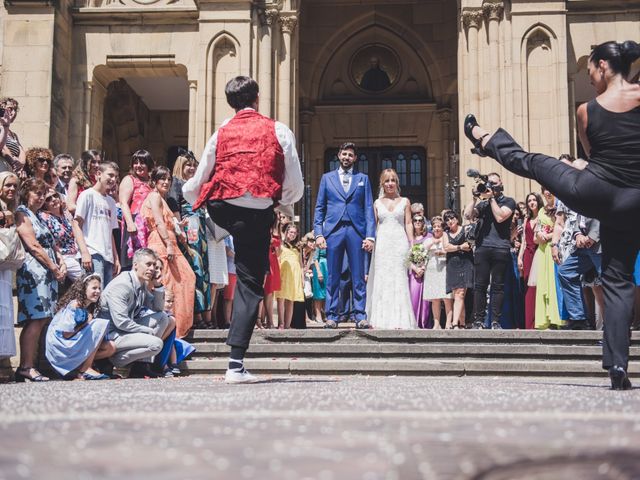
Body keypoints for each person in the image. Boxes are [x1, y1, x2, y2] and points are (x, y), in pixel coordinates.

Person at [463, 40, 640, 389]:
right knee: (618, 280)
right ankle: (618, 365)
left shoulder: (587, 110)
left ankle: (484, 140)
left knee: (533, 162)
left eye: (591, 71)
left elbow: (592, 153)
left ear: (603, 66)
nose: (590, 80)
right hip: (633, 199)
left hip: (595, 190)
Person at [183, 76, 304, 383]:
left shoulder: (221, 130)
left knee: (228, 228)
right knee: (250, 283)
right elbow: (295, 186)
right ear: (257, 99)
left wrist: (191, 195)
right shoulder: (278, 129)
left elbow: (199, 178)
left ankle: (220, 231)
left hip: (223, 208)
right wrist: (277, 201)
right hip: (255, 214)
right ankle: (235, 363)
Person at [314, 142, 375, 329]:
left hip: (356, 231)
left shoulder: (362, 178)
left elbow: (368, 208)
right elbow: (320, 207)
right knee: (332, 274)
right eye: (344, 154)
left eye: (350, 155)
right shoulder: (327, 178)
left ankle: (359, 315)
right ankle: (332, 315)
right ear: (339, 156)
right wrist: (318, 234)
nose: (347, 157)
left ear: (355, 158)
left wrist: (370, 236)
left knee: (358, 275)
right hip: (334, 230)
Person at [15, 178, 67, 382]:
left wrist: (60, 261)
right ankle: (25, 366)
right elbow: (33, 245)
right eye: (36, 193)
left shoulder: (39, 215)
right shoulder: (22, 213)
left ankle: (33, 364)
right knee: (35, 319)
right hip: (34, 272)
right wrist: (53, 267)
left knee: (44, 317)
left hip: (47, 272)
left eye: (42, 193)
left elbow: (52, 244)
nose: (40, 197)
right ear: (26, 193)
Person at [99, 248, 172, 378]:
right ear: (135, 265)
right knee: (156, 343)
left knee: (163, 318)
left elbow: (157, 309)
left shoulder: (140, 282)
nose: (152, 269)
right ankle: (110, 360)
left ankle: (141, 366)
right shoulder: (122, 285)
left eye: (154, 266)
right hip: (111, 334)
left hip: (124, 329)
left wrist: (158, 285)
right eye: (148, 264)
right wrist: (147, 331)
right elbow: (121, 322)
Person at [141, 166, 196, 338]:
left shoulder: (163, 199)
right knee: (169, 285)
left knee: (185, 279)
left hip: (170, 243)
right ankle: (171, 329)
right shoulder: (154, 196)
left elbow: (166, 220)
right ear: (154, 181)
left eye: (168, 179)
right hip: (161, 244)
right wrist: (169, 245)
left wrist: (179, 226)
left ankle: (176, 327)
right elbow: (158, 222)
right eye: (162, 179)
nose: (166, 182)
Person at [464, 173, 516, 329]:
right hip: (483, 247)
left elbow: (501, 217)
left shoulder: (509, 201)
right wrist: (474, 198)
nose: (490, 185)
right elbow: (468, 215)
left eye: (493, 182)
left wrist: (491, 198)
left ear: (500, 183)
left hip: (501, 247)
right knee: (480, 285)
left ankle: (495, 321)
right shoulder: (483, 204)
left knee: (497, 286)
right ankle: (478, 320)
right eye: (489, 183)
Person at [366, 169, 416, 329]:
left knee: (399, 278)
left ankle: (400, 319)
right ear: (382, 184)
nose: (390, 184)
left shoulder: (405, 201)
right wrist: (371, 241)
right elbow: (373, 224)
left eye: (393, 180)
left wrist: (412, 243)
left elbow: (408, 223)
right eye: (387, 181)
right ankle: (381, 320)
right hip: (383, 244)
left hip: (399, 242)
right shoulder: (377, 203)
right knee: (383, 278)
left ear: (397, 182)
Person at [167, 152, 212, 329]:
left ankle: (204, 315)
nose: (192, 168)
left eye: (194, 165)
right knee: (194, 269)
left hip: (200, 228)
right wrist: (181, 230)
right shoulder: (176, 183)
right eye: (188, 165)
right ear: (181, 166)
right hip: (189, 228)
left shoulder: (196, 184)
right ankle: (196, 316)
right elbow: (174, 206)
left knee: (203, 272)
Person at [45, 273, 115, 380]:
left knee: (110, 347)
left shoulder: (88, 306)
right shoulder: (75, 305)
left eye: (99, 288)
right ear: (83, 289)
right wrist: (86, 323)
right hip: (60, 346)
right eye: (94, 288)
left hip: (69, 344)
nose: (98, 291)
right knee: (99, 324)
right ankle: (85, 369)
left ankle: (77, 368)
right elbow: (66, 334)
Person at [72, 162, 121, 286]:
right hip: (93, 252)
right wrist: (84, 252)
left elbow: (110, 233)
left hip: (108, 256)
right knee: (92, 293)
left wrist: (115, 258)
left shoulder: (111, 202)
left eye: (115, 177)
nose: (113, 179)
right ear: (99, 174)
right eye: (110, 175)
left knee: (104, 297)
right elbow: (76, 224)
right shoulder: (87, 195)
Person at [531, 188, 563, 330]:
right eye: (545, 190)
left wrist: (549, 236)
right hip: (543, 250)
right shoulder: (542, 211)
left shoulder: (560, 207)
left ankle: (559, 319)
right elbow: (536, 232)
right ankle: (547, 319)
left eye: (550, 190)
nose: (548, 193)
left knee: (555, 283)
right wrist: (539, 235)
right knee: (544, 284)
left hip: (555, 247)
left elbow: (563, 226)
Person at [38, 188, 82, 282]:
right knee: (86, 281)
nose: (54, 199)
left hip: (77, 254)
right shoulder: (44, 217)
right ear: (44, 203)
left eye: (55, 196)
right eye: (49, 199)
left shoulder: (66, 214)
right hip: (63, 256)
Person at [119, 150, 154, 268]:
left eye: (142, 163)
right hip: (135, 223)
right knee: (133, 260)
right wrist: (130, 223)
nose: (138, 166)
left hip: (149, 225)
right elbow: (123, 202)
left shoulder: (152, 182)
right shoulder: (130, 179)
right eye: (135, 162)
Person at [442, 211, 473, 329]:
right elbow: (446, 247)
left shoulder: (465, 229)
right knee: (457, 295)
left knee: (460, 293)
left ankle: (454, 323)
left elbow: (469, 246)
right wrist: (460, 247)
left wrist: (453, 247)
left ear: (457, 218)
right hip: (452, 265)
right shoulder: (446, 233)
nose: (450, 221)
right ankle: (462, 322)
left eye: (452, 218)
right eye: (447, 220)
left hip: (465, 264)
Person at [0, 172, 19, 360]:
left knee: (4, 310)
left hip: (4, 266)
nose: (12, 189)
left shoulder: (10, 208)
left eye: (14, 186)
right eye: (8, 185)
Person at [517, 192, 543, 329]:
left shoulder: (543, 216)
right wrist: (520, 257)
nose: (532, 202)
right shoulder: (526, 219)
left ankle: (541, 321)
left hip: (540, 253)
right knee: (528, 288)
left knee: (540, 287)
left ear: (538, 201)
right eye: (529, 201)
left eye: (534, 200)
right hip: (528, 255)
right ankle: (530, 324)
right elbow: (523, 241)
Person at [422, 216, 452, 329]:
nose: (436, 229)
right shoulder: (428, 240)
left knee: (447, 297)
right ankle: (436, 323)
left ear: (443, 228)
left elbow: (451, 250)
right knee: (435, 299)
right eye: (434, 227)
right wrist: (432, 244)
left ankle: (448, 323)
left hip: (444, 269)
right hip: (432, 270)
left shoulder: (447, 238)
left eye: (439, 226)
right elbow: (422, 253)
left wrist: (443, 251)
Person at [275, 223, 304, 329]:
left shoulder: (298, 247)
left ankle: (287, 325)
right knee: (281, 299)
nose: (293, 234)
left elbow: (301, 264)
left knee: (291, 300)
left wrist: (302, 278)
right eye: (291, 232)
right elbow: (277, 257)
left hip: (294, 276)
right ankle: (281, 323)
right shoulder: (281, 244)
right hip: (283, 274)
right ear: (286, 232)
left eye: (295, 233)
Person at [408, 215, 432, 328]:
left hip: (426, 273)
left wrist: (423, 268)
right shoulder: (409, 238)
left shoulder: (429, 237)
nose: (417, 222)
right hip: (413, 273)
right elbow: (405, 257)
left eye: (420, 220)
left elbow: (431, 255)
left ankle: (424, 323)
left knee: (426, 301)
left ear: (424, 223)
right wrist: (415, 268)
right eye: (415, 220)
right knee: (413, 297)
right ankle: (413, 322)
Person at [66, 149, 102, 215]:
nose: (97, 165)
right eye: (93, 162)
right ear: (85, 162)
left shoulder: (98, 180)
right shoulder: (75, 180)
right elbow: (71, 206)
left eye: (99, 162)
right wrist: (91, 211)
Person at [0, 98, 26, 176]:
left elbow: (21, 150)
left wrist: (21, 164)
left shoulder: (13, 134)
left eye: (15, 110)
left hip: (12, 170)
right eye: (10, 109)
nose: (13, 113)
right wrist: (13, 161)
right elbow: (3, 148)